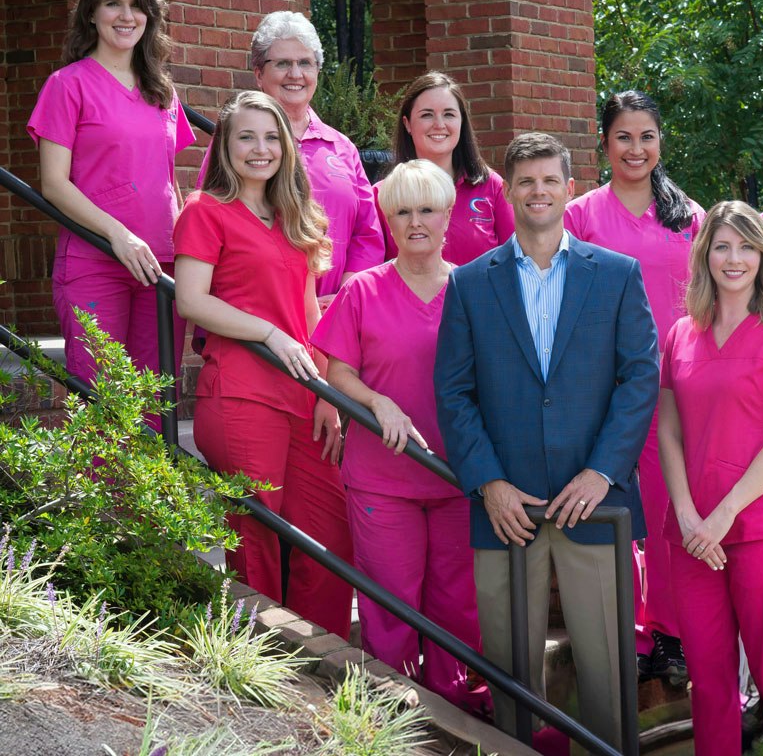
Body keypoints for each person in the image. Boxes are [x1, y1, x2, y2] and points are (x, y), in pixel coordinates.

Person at [435, 132, 659, 748]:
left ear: (570, 188)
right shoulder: (470, 284)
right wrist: (489, 483)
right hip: (507, 509)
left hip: (596, 503)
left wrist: (603, 472)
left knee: (608, 666)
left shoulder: (616, 276)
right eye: (525, 181)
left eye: (550, 180)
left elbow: (640, 377)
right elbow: (454, 393)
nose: (538, 191)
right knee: (510, 669)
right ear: (509, 191)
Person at [173, 91, 354, 637]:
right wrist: (270, 335)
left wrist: (327, 393)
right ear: (225, 147)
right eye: (246, 137)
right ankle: (265, 662)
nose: (260, 148)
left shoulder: (293, 216)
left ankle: (323, 659)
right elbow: (191, 300)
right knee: (258, 538)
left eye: (272, 136)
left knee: (331, 535)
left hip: (302, 395)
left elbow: (306, 315)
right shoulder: (206, 212)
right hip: (240, 394)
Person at [311, 160, 488, 712]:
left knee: (457, 605)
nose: (416, 222)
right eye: (402, 211)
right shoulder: (362, 290)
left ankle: (453, 710)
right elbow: (334, 370)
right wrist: (376, 400)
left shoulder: (475, 290)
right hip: (382, 480)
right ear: (387, 219)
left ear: (447, 215)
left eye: (427, 209)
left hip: (457, 478)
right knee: (389, 607)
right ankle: (393, 715)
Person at [659, 201, 763, 756]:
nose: (734, 258)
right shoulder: (681, 333)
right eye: (722, 245)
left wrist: (723, 514)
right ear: (704, 254)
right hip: (692, 536)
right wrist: (686, 515)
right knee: (709, 679)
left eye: (746, 246)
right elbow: (670, 431)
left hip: (762, 530)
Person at [564, 90, 701, 683]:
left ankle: (669, 633)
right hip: (605, 391)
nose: (636, 148)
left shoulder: (689, 217)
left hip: (676, 388)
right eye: (624, 136)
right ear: (605, 143)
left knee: (670, 513)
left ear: (660, 142)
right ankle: (623, 632)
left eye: (647, 136)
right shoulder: (581, 216)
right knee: (615, 513)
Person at [28, 0, 194, 396]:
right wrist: (117, 234)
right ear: (91, 14)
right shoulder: (67, 85)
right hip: (95, 260)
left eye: (136, 6)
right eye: (112, 4)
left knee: (155, 406)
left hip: (160, 265)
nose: (126, 16)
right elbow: (53, 183)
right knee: (104, 407)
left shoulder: (163, 90)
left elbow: (166, 179)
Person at [248, 11, 383, 303]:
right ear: (259, 73)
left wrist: (345, 298)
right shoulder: (237, 142)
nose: (295, 74)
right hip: (264, 314)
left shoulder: (342, 147)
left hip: (336, 316)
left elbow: (367, 234)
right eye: (282, 63)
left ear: (317, 72)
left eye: (305, 63)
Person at [375, 72, 514, 265]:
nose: (439, 125)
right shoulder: (382, 194)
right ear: (407, 124)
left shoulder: (492, 186)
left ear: (462, 121)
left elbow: (514, 259)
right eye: (427, 115)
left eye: (449, 114)